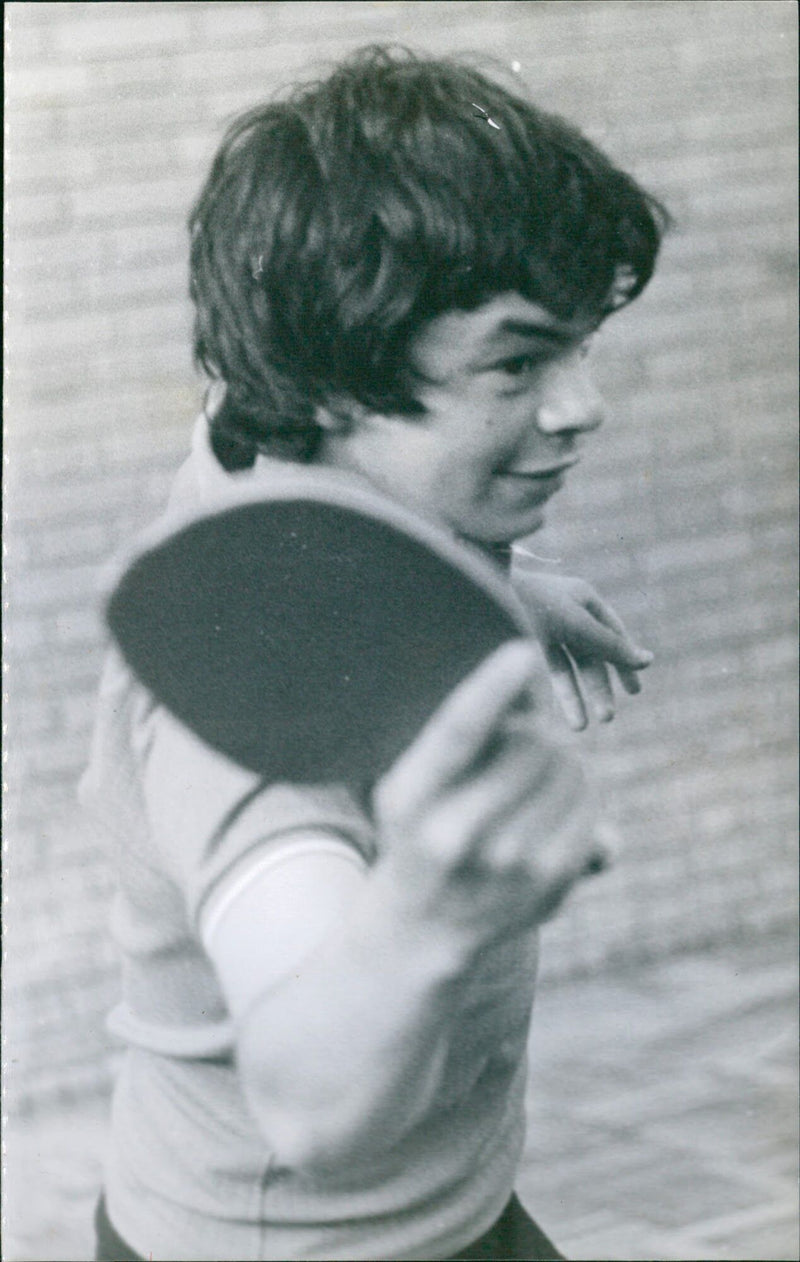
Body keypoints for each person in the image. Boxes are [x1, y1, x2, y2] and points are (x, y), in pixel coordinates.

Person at [82, 47, 666, 1261]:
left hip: (456, 1211)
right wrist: (433, 908)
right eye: (516, 363)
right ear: (338, 378)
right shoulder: (243, 686)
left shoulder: (279, 445)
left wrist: (495, 594)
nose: (579, 405)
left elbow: (356, 523)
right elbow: (316, 1101)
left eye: (577, 347)